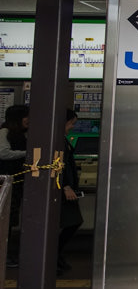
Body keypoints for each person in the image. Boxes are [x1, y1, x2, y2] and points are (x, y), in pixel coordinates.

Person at [1, 104, 29, 268]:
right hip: (6, 183)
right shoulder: (4, 132)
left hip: (16, 183)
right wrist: (27, 153)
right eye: (26, 116)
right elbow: (3, 153)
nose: (29, 120)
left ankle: (8, 253)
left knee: (11, 219)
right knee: (6, 219)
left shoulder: (22, 135)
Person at [58, 109, 84, 276]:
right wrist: (65, 186)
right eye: (71, 123)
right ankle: (54, 255)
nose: (72, 127)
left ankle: (56, 255)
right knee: (72, 222)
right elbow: (60, 166)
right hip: (62, 191)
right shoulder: (56, 141)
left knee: (73, 222)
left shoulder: (62, 140)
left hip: (66, 189)